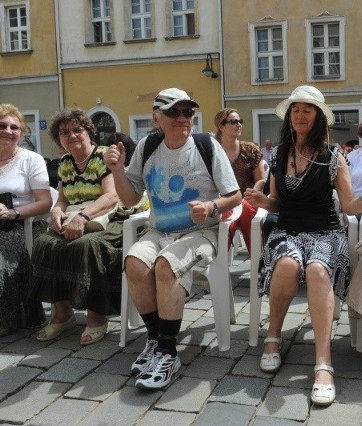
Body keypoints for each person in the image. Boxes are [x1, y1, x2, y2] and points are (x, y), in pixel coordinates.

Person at [243, 85, 362, 406]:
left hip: (325, 232)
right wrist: (262, 200)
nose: (301, 114)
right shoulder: (279, 154)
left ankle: (323, 363)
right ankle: (274, 337)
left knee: (319, 271)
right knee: (288, 265)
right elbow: (277, 203)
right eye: (296, 109)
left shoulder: (334, 156)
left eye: (308, 109)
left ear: (318, 117)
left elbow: (348, 206)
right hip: (287, 231)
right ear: (290, 117)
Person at [105, 87, 241, 390]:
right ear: (157, 118)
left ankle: (168, 354)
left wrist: (210, 206)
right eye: (174, 112)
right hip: (158, 230)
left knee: (166, 265)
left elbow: (235, 196)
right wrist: (117, 171)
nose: (183, 118)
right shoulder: (147, 146)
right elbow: (130, 199)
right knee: (134, 264)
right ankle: (156, 340)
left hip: (201, 232)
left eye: (187, 112)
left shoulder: (207, 146)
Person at [30, 108, 121, 346]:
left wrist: (82, 216)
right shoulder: (66, 163)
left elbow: (111, 196)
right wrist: (57, 211)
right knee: (44, 243)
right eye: (64, 132)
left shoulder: (102, 156)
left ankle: (96, 316)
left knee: (85, 245)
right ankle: (63, 314)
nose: (71, 135)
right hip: (75, 217)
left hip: (106, 220)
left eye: (77, 130)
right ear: (58, 138)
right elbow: (62, 199)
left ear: (89, 133)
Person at [0, 104, 52, 336]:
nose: (8, 131)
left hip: (24, 221)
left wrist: (13, 213)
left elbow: (45, 202)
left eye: (14, 127)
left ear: (21, 132)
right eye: (2, 125)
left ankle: (7, 318)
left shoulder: (31, 160)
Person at [214, 108, 265, 253]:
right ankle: (220, 261)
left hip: (249, 199)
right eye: (233, 122)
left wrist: (253, 193)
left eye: (240, 121)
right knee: (226, 215)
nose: (239, 125)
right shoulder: (213, 151)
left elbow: (261, 179)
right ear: (221, 126)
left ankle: (257, 258)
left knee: (245, 208)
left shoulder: (250, 149)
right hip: (224, 201)